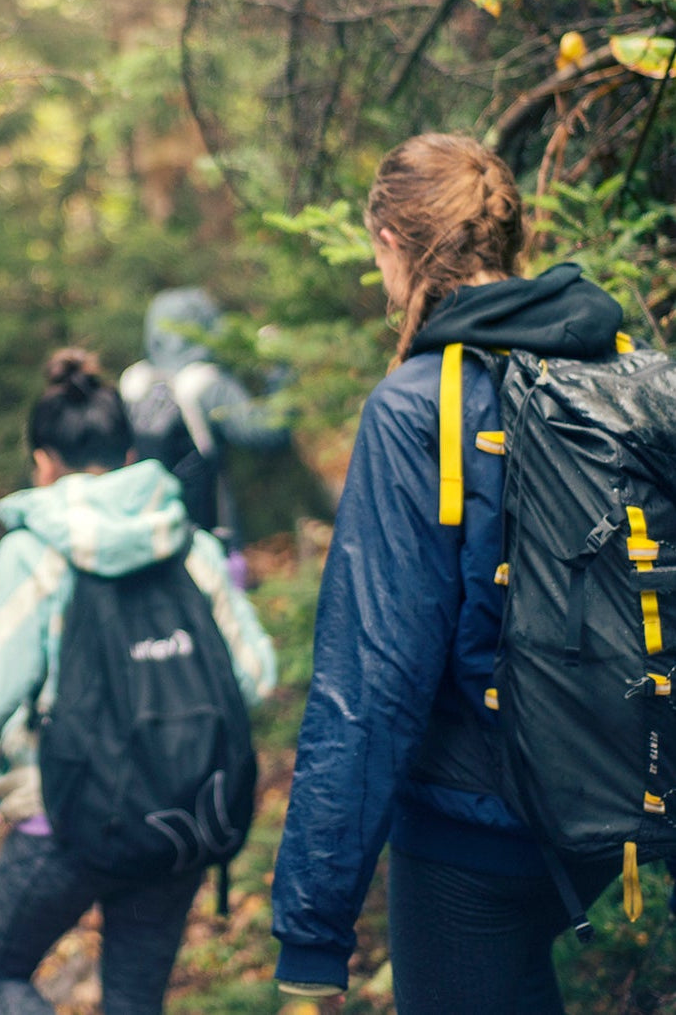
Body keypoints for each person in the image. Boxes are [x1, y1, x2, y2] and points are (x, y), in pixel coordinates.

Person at [271, 133, 626, 1013]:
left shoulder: (415, 404)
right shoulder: (605, 370)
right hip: (600, 802)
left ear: (391, 242)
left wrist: (313, 923)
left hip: (468, 830)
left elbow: (372, 677)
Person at [0, 348, 276, 1015]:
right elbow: (254, 675)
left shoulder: (34, 550)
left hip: (66, 819)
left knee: (1, 971)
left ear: (43, 461)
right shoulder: (188, 542)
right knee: (134, 999)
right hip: (180, 814)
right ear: (127, 451)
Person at [119, 287, 291, 587]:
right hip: (209, 546)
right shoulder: (205, 384)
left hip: (143, 547)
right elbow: (268, 430)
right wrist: (279, 368)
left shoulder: (133, 383)